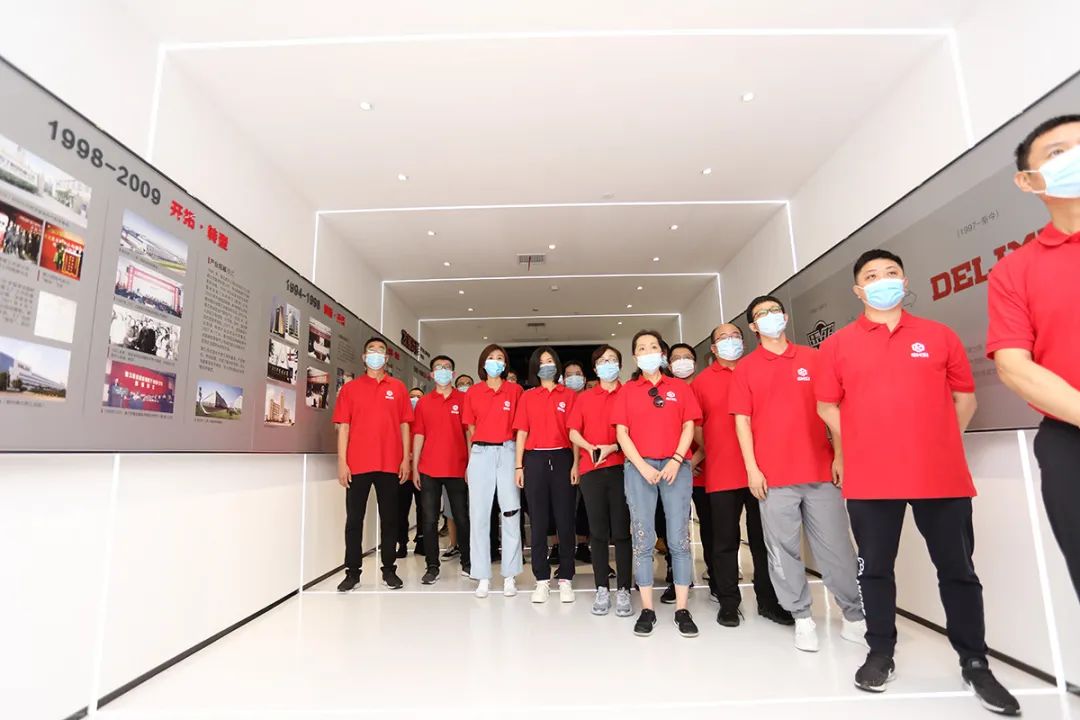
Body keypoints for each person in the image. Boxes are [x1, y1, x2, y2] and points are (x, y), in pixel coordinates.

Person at [816, 250, 1019, 715]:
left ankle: (975, 662)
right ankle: (880, 652)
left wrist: (941, 441)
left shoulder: (938, 335)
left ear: (905, 281)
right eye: (872, 276)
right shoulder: (838, 345)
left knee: (958, 570)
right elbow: (827, 405)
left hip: (939, 475)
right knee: (875, 570)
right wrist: (857, 444)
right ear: (858, 290)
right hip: (871, 479)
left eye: (891, 273)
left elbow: (964, 399)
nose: (883, 280)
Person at [730, 296, 865, 652]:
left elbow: (833, 408)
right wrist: (752, 468)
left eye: (774, 311)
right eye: (761, 315)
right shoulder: (746, 368)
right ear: (753, 327)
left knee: (837, 548)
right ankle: (802, 617)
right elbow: (742, 422)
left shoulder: (814, 358)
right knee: (782, 550)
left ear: (785, 317)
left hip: (820, 471)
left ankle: (854, 616)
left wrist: (840, 454)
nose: (770, 317)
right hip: (773, 477)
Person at [990, 114, 1080, 603]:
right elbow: (1013, 365)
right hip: (1071, 437)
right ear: (1028, 181)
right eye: (1059, 153)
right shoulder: (1014, 270)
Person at [691, 324, 793, 628]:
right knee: (724, 541)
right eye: (722, 338)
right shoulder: (702, 382)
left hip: (762, 471)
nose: (730, 341)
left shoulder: (757, 370)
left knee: (763, 540)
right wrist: (712, 449)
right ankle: (728, 602)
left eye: (734, 336)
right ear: (713, 348)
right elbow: (696, 425)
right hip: (722, 472)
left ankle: (768, 601)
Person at [613, 330, 702, 638]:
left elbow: (689, 425)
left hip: (676, 467)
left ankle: (682, 609)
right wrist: (641, 466)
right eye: (642, 348)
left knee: (678, 538)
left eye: (653, 346)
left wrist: (677, 459)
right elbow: (622, 433)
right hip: (640, 468)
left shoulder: (679, 387)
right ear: (635, 356)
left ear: (662, 353)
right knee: (643, 538)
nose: (648, 351)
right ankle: (647, 609)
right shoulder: (628, 390)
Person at [333, 337, 412, 592]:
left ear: (386, 358)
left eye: (381, 351)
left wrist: (406, 459)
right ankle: (352, 572)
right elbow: (344, 427)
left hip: (390, 463)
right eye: (371, 350)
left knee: (390, 519)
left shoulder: (398, 388)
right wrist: (342, 462)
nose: (376, 354)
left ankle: (389, 570)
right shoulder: (350, 389)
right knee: (354, 520)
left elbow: (405, 425)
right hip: (357, 464)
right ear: (364, 357)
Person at [568, 344, 633, 617]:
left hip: (622, 468)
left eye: (613, 360)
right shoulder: (584, 398)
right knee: (597, 532)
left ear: (620, 364)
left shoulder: (629, 393)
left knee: (621, 531)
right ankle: (601, 587)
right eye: (603, 361)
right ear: (595, 368)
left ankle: (624, 588)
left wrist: (613, 447)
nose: (608, 364)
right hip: (591, 470)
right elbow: (573, 432)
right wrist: (590, 448)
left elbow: (636, 431)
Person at [513, 347, 578, 603]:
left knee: (565, 520)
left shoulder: (569, 395)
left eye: (550, 360)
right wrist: (519, 466)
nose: (546, 365)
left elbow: (574, 432)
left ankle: (566, 578)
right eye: (541, 362)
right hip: (535, 459)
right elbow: (521, 432)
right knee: (538, 522)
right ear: (535, 368)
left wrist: (576, 464)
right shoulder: (528, 397)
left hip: (563, 458)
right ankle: (541, 579)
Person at [463, 344, 525, 599]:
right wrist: (471, 462)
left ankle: (510, 575)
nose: (496, 362)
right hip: (480, 453)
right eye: (491, 357)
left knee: (510, 512)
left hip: (508, 451)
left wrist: (519, 463)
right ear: (483, 363)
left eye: (500, 358)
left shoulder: (515, 391)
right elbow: (470, 429)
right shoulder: (473, 392)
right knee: (479, 515)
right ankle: (482, 575)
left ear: (505, 364)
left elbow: (521, 428)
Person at [412, 356, 470, 584]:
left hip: (457, 467)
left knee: (462, 517)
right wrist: (415, 467)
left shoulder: (463, 399)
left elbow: (469, 433)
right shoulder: (424, 402)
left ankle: (468, 562)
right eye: (438, 368)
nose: (443, 371)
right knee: (429, 520)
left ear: (452, 374)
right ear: (432, 374)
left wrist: (471, 464)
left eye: (447, 368)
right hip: (429, 468)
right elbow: (419, 434)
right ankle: (432, 566)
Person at [669, 343, 713, 601]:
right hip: (673, 473)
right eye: (676, 358)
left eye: (687, 357)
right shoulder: (665, 392)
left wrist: (690, 461)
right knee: (676, 528)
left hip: (704, 472)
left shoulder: (703, 389)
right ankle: (678, 577)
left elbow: (709, 436)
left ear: (695, 362)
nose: (682, 361)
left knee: (709, 525)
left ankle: (715, 572)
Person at [396, 387, 427, 558]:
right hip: (403, 472)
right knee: (400, 510)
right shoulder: (401, 420)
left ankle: (422, 541)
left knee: (424, 509)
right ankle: (401, 543)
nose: (415, 400)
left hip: (422, 471)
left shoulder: (425, 419)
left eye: (419, 397)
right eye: (412, 397)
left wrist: (416, 457)